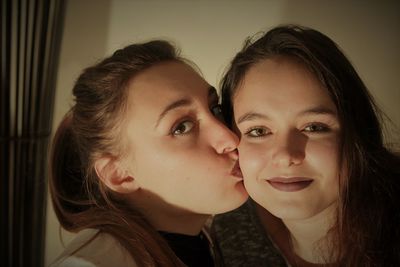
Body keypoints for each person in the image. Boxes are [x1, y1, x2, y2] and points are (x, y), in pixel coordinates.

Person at [212, 25, 400, 266]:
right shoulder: (231, 232)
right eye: (258, 131)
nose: (285, 156)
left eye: (314, 127)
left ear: (357, 133)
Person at [49, 40, 248, 267]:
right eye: (181, 127)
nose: (230, 139)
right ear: (119, 174)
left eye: (215, 109)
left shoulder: (213, 240)